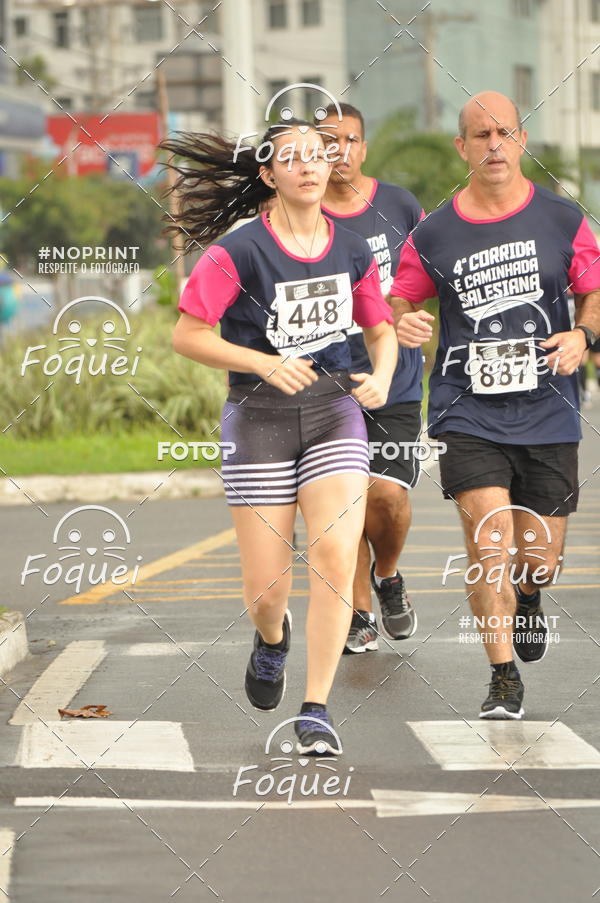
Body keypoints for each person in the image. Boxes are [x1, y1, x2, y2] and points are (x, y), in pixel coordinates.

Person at [162, 120, 397, 754]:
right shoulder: (238, 252)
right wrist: (263, 363)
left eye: (317, 155)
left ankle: (316, 709)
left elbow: (380, 329)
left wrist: (382, 375)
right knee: (267, 592)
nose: (309, 166)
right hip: (257, 417)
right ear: (269, 174)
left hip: (333, 412)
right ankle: (272, 638)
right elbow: (187, 335)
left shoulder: (353, 249)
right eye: (291, 159)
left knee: (335, 557)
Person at [392, 91, 600, 719]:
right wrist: (403, 320)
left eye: (504, 132)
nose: (494, 145)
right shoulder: (435, 232)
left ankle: (530, 594)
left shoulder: (563, 219)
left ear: (521, 140)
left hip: (548, 408)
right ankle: (502, 675)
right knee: (490, 544)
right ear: (462, 147)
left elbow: (594, 291)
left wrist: (582, 335)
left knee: (539, 559)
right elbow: (400, 296)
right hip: (467, 410)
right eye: (480, 135)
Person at [318, 102, 424, 654]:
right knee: (344, 502)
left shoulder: (400, 205)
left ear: (364, 147)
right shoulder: (298, 211)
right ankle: (359, 612)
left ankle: (388, 574)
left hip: (394, 380)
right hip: (325, 384)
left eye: (350, 140)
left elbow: (427, 276)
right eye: (327, 142)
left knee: (386, 496)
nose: (340, 151)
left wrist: (413, 316)